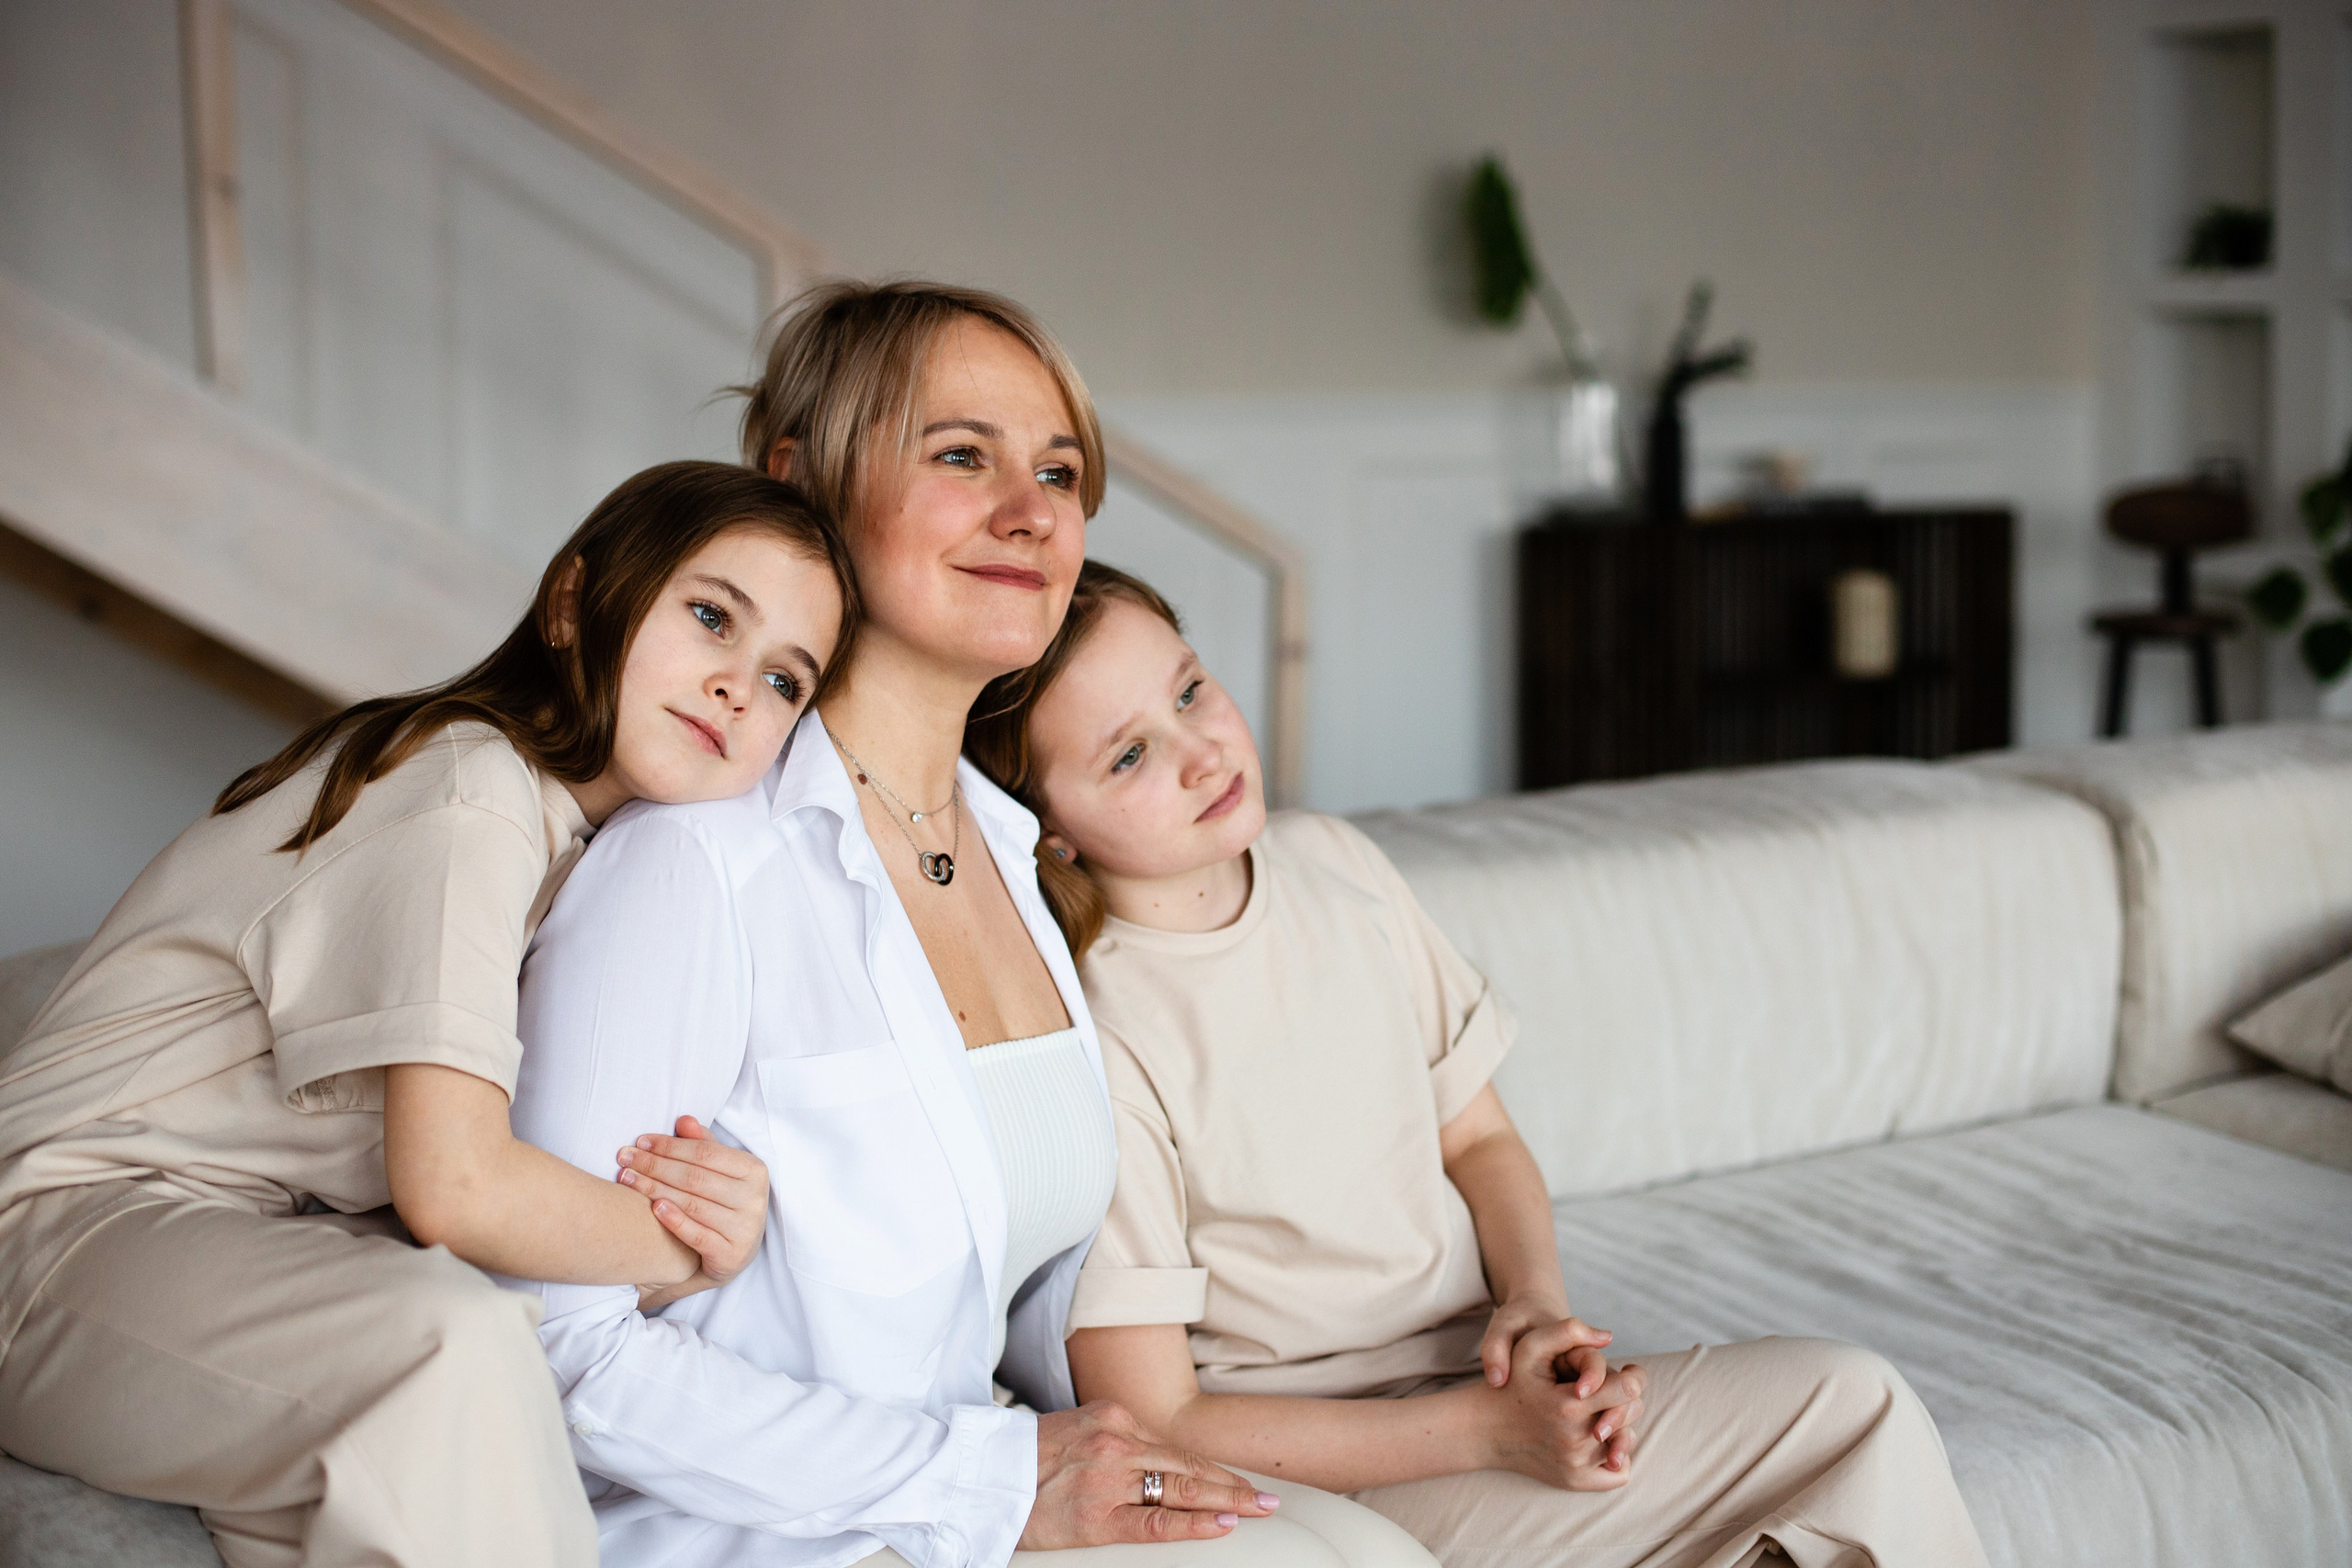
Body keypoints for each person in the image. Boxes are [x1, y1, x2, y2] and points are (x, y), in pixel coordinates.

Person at [505, 280, 1434, 1568]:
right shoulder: (694, 864)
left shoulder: (1012, 856)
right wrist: (983, 1475)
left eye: (1060, 470)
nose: (1033, 510)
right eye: (961, 455)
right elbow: (557, 1343)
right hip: (765, 1529)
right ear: (802, 478)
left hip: (986, 1486)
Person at [961, 560, 1995, 1568]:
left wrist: (1535, 1307)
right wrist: (1488, 1433)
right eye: (1128, 756)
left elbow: (1482, 1138)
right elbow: (1158, 1414)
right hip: (1348, 1465)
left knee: (1842, 1400)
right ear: (1044, 831)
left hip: (1482, 1383)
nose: (1200, 750)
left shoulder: (1335, 864)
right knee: (1854, 1420)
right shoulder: (1095, 1027)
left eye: (1189, 689)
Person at [0, 461, 854, 1568]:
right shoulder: (471, 791)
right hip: (56, 1224)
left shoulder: (598, 865)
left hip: (243, 1240)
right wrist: (687, 1250)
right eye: (709, 618)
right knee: (453, 1346)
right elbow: (456, 1187)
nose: (741, 687)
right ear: (570, 603)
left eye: (787, 681)